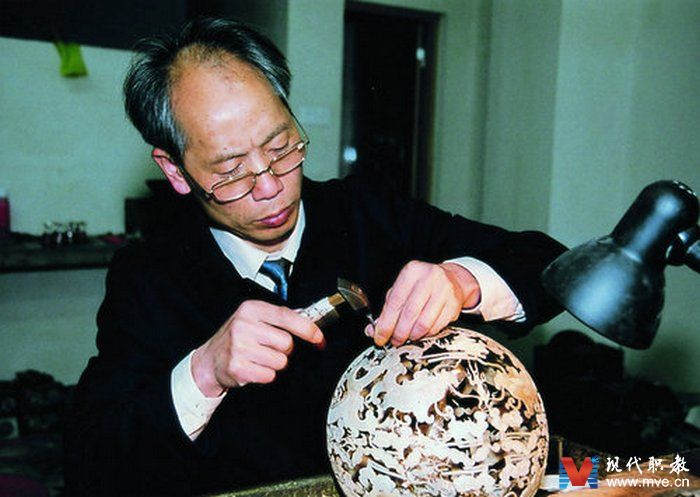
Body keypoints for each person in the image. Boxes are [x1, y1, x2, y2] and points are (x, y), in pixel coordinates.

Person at [64, 17, 566, 496]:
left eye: (281, 148)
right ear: (176, 170)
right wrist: (204, 373)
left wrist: (462, 281)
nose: (270, 187)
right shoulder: (149, 277)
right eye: (231, 171)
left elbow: (552, 267)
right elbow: (93, 462)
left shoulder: (369, 213)